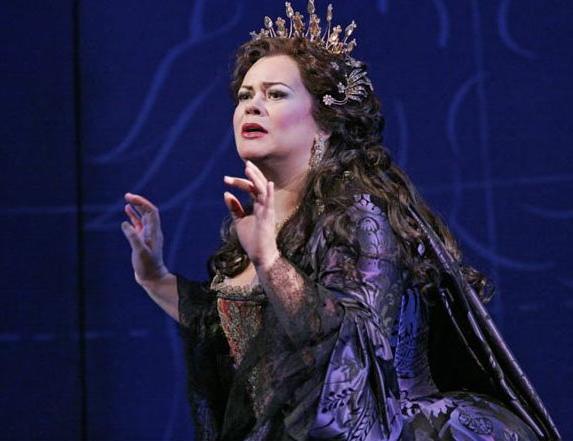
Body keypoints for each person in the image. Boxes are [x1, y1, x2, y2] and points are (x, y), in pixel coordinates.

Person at [121, 2, 560, 440]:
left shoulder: (358, 215)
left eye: (275, 94)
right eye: (244, 96)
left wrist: (271, 261)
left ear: (324, 123)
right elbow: (235, 329)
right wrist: (154, 275)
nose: (252, 106)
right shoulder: (257, 222)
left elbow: (349, 352)